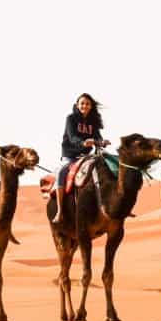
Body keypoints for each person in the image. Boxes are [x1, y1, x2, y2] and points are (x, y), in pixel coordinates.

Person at [52, 93, 107, 224]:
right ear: (77, 105)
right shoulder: (71, 119)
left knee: (106, 167)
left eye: (87, 103)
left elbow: (97, 137)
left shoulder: (93, 121)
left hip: (86, 156)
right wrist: (83, 143)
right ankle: (60, 211)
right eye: (82, 103)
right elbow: (72, 137)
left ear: (91, 106)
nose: (84, 106)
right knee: (61, 172)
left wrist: (102, 142)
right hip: (70, 156)